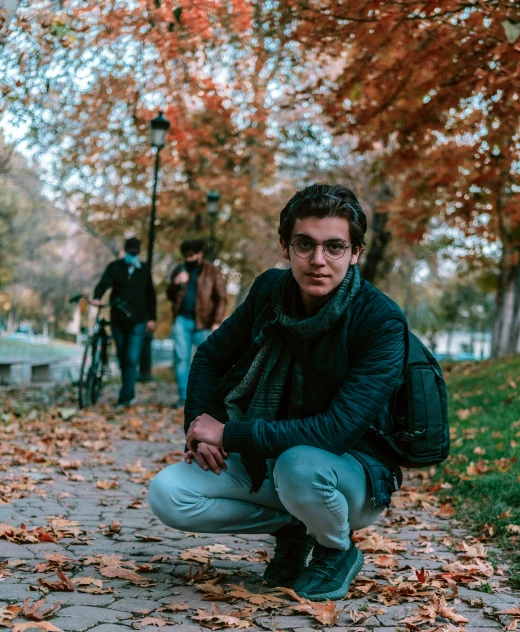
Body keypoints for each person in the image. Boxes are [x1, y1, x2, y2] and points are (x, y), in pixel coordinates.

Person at [149, 185, 407, 601]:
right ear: (286, 246)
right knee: (168, 493)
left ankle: (336, 548)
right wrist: (199, 427)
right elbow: (209, 357)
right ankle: (295, 528)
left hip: (351, 474)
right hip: (270, 460)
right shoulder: (270, 291)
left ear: (355, 252)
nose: (318, 260)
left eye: (334, 247)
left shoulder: (380, 322)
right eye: (305, 244)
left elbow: (335, 431)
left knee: (299, 467)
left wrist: (228, 434)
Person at [92, 236, 157, 407]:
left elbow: (151, 296)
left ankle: (126, 397)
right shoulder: (115, 267)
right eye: (130, 253)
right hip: (118, 319)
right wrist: (97, 297)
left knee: (131, 358)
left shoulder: (144, 270)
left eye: (135, 253)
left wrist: (152, 318)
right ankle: (129, 392)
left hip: (138, 320)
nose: (132, 255)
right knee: (122, 356)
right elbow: (104, 283)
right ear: (125, 252)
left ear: (139, 253)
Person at [166, 238, 227, 408]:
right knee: (181, 358)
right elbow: (170, 296)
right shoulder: (180, 269)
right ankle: (183, 397)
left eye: (192, 255)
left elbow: (221, 298)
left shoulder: (212, 271)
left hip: (205, 323)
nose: (188, 259)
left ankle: (206, 398)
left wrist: (216, 322)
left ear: (200, 254)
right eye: (186, 256)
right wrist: (176, 283)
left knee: (207, 361)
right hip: (182, 320)